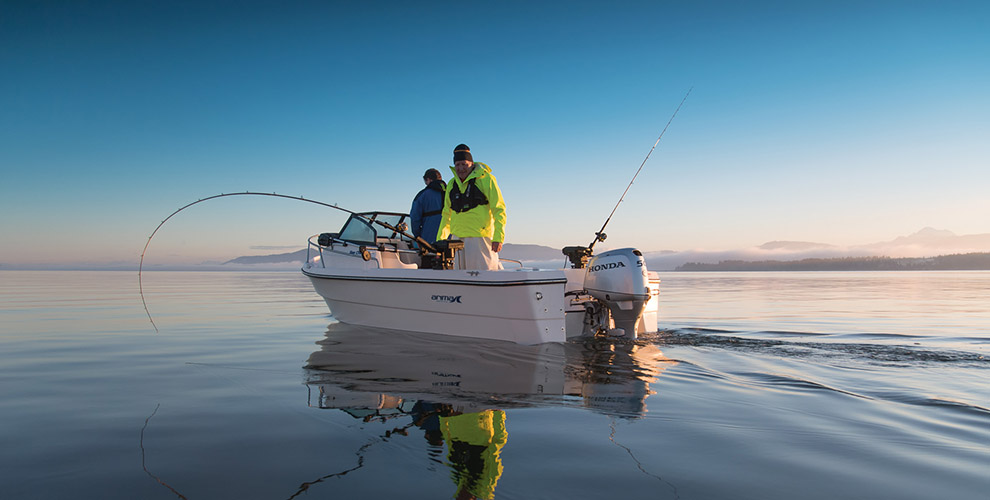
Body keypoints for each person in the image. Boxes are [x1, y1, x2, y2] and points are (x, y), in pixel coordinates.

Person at [436, 144, 506, 271]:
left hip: (480, 238)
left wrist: (498, 237)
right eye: (458, 165)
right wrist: (440, 241)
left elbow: (499, 209)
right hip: (457, 240)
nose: (461, 168)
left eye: (464, 164)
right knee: (460, 280)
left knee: (485, 277)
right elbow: (446, 214)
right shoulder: (452, 184)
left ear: (472, 164)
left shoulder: (486, 179)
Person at [409, 168, 446, 245]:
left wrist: (418, 236)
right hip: (451, 239)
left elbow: (415, 218)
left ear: (428, 179)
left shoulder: (422, 195)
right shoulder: (451, 193)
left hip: (429, 239)